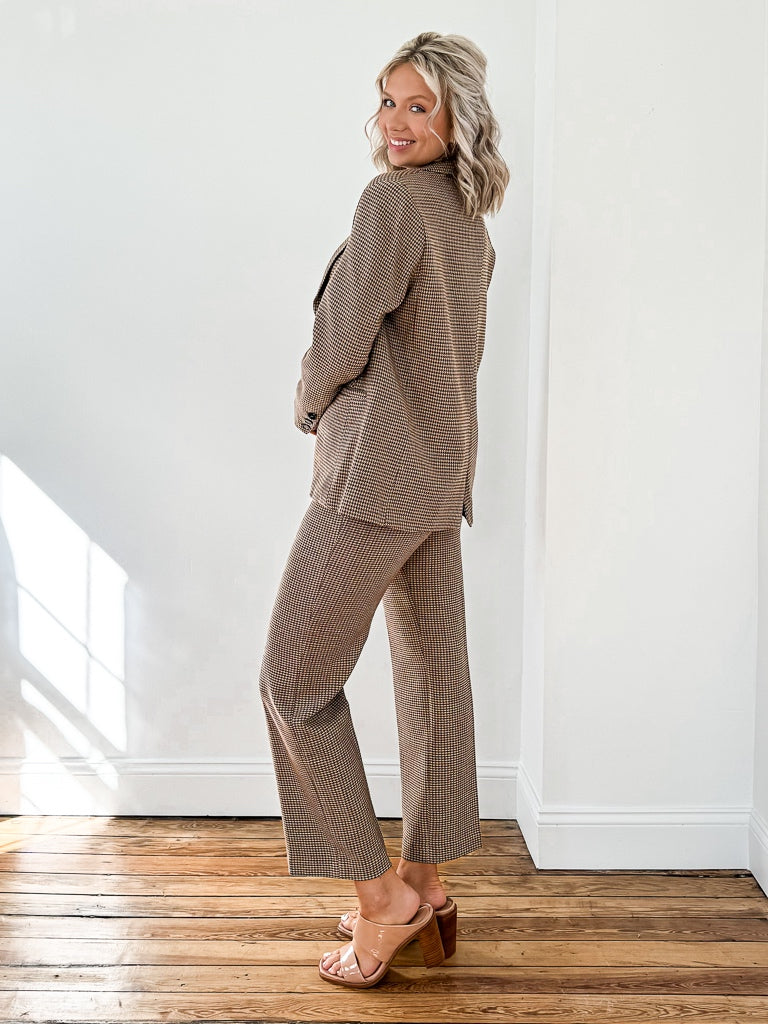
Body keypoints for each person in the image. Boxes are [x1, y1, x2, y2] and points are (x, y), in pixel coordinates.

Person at [259, 30, 509, 989]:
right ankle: (428, 881)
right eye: (388, 101)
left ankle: (382, 900)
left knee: (293, 679)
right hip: (441, 475)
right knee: (431, 671)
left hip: (373, 478)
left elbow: (343, 338)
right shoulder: (467, 219)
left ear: (457, 119)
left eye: (418, 106)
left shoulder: (392, 203)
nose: (395, 123)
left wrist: (307, 403)